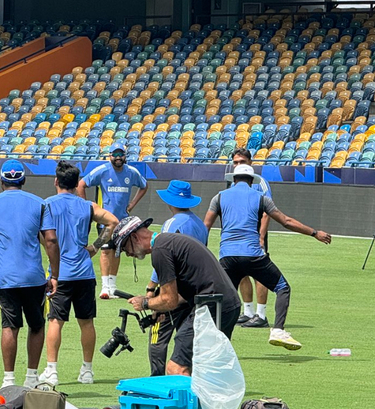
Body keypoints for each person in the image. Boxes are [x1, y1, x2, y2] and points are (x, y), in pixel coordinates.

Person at [205, 164, 333, 350]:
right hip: (253, 255)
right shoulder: (260, 198)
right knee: (282, 288)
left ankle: (219, 343)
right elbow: (286, 221)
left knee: (227, 301)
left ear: (233, 180)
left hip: (227, 256)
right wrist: (314, 233)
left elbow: (205, 227)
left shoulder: (219, 197)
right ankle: (278, 330)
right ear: (252, 182)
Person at [0, 160, 61, 389]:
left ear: (1, 181)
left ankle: (8, 381)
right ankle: (32, 377)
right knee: (36, 326)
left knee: (9, 326)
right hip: (34, 278)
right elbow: (51, 240)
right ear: (24, 180)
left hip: (5, 279)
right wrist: (54, 274)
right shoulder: (39, 204)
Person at [112, 216, 242, 376]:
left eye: (125, 248)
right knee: (205, 366)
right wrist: (158, 306)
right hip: (228, 304)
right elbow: (180, 295)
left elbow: (169, 300)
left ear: (134, 236)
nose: (128, 254)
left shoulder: (160, 250)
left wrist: (145, 303)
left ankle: (186, 402)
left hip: (211, 305)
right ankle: (203, 401)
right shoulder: (169, 241)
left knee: (177, 368)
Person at [39, 161, 119, 388]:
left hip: (59, 273)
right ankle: (87, 370)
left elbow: (38, 233)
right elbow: (113, 221)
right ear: (76, 184)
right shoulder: (87, 206)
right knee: (86, 322)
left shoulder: (47, 205)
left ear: (56, 181)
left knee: (55, 321)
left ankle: (52, 370)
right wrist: (95, 246)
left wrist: (46, 247)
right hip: (84, 272)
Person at [147, 179, 209, 377]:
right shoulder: (200, 225)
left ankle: (156, 380)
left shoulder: (171, 223)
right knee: (185, 339)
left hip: (171, 287)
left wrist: (151, 288)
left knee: (158, 334)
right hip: (192, 290)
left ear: (170, 201)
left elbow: (163, 257)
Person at [79, 141, 149, 298]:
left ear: (125, 156)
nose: (118, 157)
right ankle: (105, 287)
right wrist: (87, 207)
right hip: (105, 220)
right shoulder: (102, 171)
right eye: (115, 154)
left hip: (123, 221)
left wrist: (132, 204)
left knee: (117, 252)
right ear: (109, 156)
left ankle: (112, 286)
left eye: (120, 154)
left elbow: (144, 186)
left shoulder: (131, 172)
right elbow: (81, 184)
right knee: (105, 250)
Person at [228, 149, 274, 327]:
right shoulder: (233, 184)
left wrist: (261, 236)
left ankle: (261, 315)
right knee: (241, 272)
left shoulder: (260, 183)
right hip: (238, 233)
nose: (238, 165)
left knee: (259, 273)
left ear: (250, 163)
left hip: (255, 232)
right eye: (236, 162)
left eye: (242, 162)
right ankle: (248, 311)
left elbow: (267, 212)